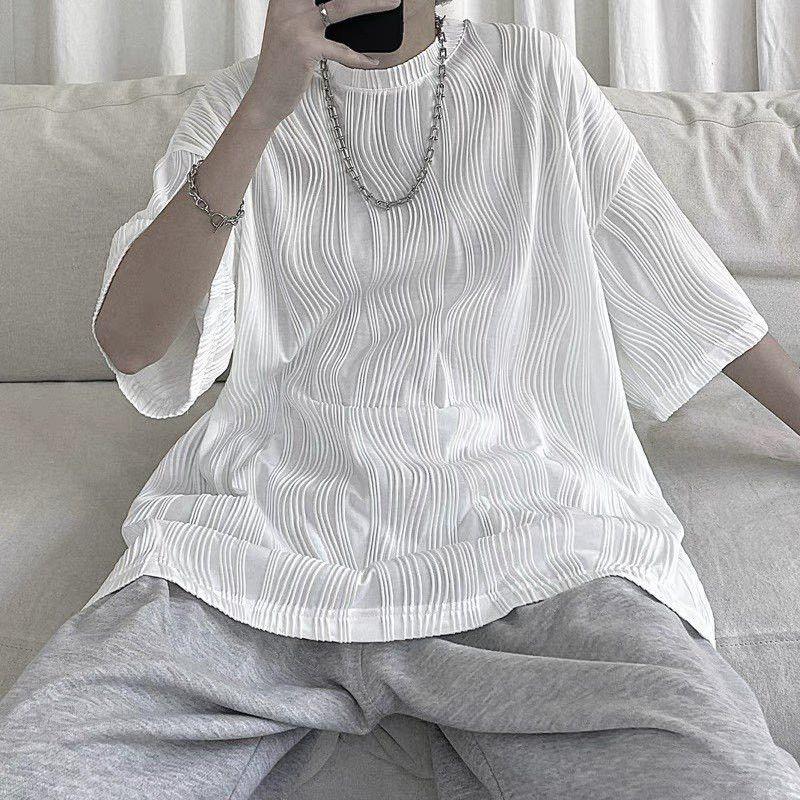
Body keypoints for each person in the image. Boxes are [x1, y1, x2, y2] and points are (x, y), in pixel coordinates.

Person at [2, 0, 800, 797]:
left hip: (529, 543)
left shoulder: (531, 77)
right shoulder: (236, 105)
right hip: (257, 549)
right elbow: (132, 341)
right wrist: (263, 111)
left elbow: (689, 293)